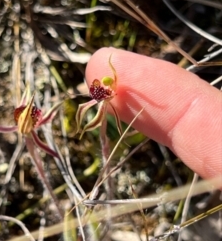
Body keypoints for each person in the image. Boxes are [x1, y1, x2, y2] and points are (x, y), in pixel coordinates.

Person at [85, 47, 222, 180]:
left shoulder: (111, 93)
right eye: (106, 84)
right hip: (106, 106)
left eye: (109, 83)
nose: (106, 83)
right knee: (90, 118)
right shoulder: (102, 96)